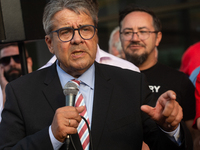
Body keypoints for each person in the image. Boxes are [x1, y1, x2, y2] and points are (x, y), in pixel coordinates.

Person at [0, 0, 185, 149]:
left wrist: (170, 129)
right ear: (49, 43)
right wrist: (51, 136)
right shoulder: (21, 92)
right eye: (65, 32)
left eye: (85, 30)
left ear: (96, 35)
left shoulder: (131, 84)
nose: (77, 39)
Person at [119, 4, 197, 149]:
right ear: (120, 37)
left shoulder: (179, 81)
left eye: (143, 31)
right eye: (128, 32)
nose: (135, 38)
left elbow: (193, 138)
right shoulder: (109, 79)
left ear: (158, 37)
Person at [0, 43, 33, 122]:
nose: (12, 64)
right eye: (5, 60)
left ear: (29, 62)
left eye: (17, 58)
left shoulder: (44, 85)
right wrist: (6, 97)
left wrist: (30, 81)